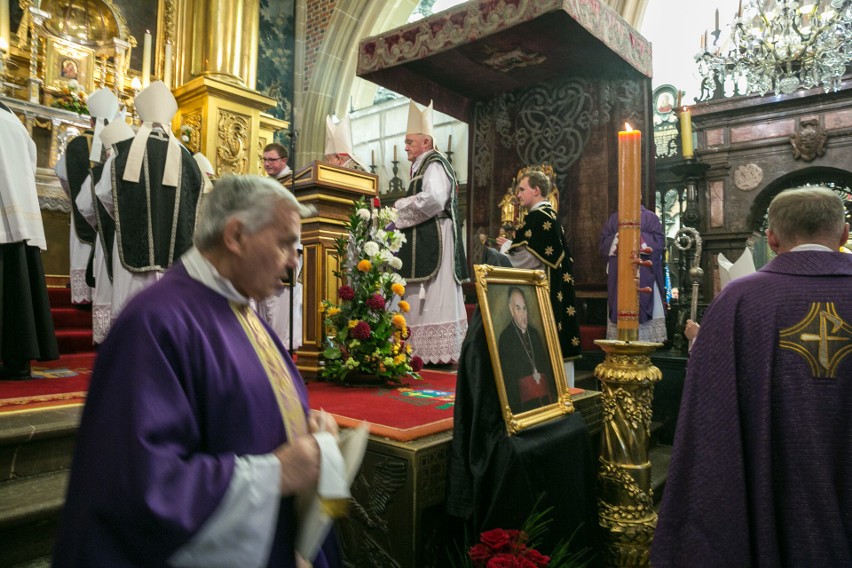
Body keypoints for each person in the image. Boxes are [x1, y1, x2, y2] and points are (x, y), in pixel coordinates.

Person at [53, 175, 342, 567]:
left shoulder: (242, 310)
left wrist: (295, 423)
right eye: (285, 243)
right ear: (236, 236)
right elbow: (142, 486)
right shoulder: (155, 322)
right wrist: (278, 473)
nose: (295, 260)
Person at [652, 186, 852, 567]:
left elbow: (710, 418)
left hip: (770, 502)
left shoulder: (741, 300)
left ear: (772, 238)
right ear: (843, 235)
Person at [97, 81, 204, 322]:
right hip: (177, 256)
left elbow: (106, 196)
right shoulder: (190, 163)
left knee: (131, 315)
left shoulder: (121, 156)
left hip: (131, 248)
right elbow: (197, 208)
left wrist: (128, 217)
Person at [394, 99, 468, 365]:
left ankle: (440, 358)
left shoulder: (434, 163)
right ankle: (423, 355)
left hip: (437, 237)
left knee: (435, 296)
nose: (405, 147)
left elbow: (435, 199)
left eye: (410, 142)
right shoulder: (422, 165)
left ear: (426, 142)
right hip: (428, 235)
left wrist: (398, 210)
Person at [494, 171, 582, 380]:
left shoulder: (538, 218)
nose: (517, 195)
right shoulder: (550, 218)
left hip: (545, 294)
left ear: (536, 190)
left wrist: (506, 250)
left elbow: (528, 259)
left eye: (522, 189)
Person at [0, 101, 59, 379]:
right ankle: (18, 362)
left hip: (3, 215)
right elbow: (32, 163)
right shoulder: (15, 122)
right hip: (21, 216)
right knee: (19, 287)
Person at [54, 87, 119, 304]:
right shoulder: (118, 145)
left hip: (81, 211)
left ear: (90, 121)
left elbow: (62, 173)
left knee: (83, 246)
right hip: (110, 218)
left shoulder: (75, 145)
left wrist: (73, 194)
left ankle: (83, 296)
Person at [75, 117, 136, 344]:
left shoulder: (101, 172)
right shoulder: (139, 164)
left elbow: (84, 206)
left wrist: (101, 226)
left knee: (108, 293)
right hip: (133, 241)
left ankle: (106, 342)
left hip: (109, 243)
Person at [599, 205, 667, 342]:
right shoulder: (614, 219)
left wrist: (638, 238)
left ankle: (648, 340)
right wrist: (617, 238)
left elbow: (659, 243)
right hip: (620, 274)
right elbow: (603, 242)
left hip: (645, 271)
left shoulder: (650, 217)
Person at [497, 286, 556, 414]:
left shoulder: (534, 333)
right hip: (522, 405)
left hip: (545, 399)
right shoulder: (506, 338)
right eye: (518, 308)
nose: (523, 314)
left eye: (524, 308)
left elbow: (546, 367)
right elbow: (508, 379)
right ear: (511, 310)